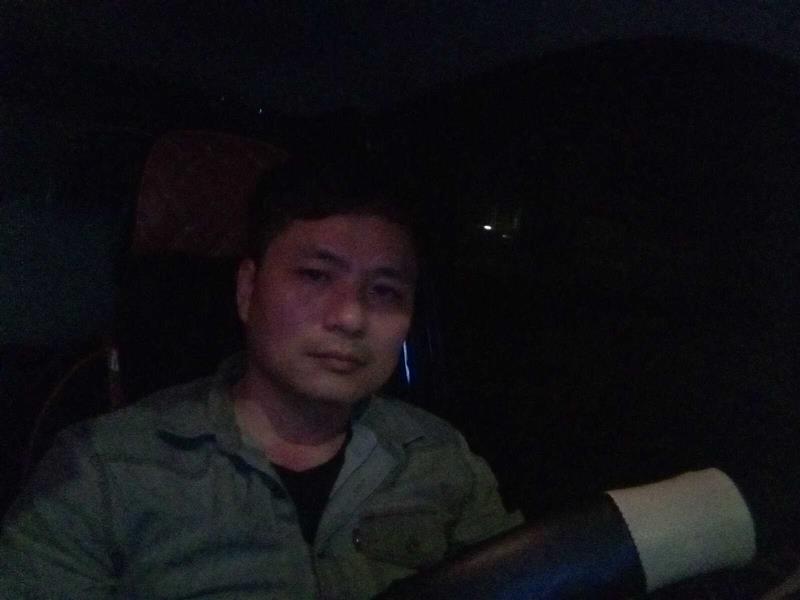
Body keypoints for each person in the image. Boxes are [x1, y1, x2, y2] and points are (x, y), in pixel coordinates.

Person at [0, 158, 523, 599]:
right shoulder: (104, 468)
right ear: (248, 290)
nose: (351, 317)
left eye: (385, 291)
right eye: (315, 276)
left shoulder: (438, 454)